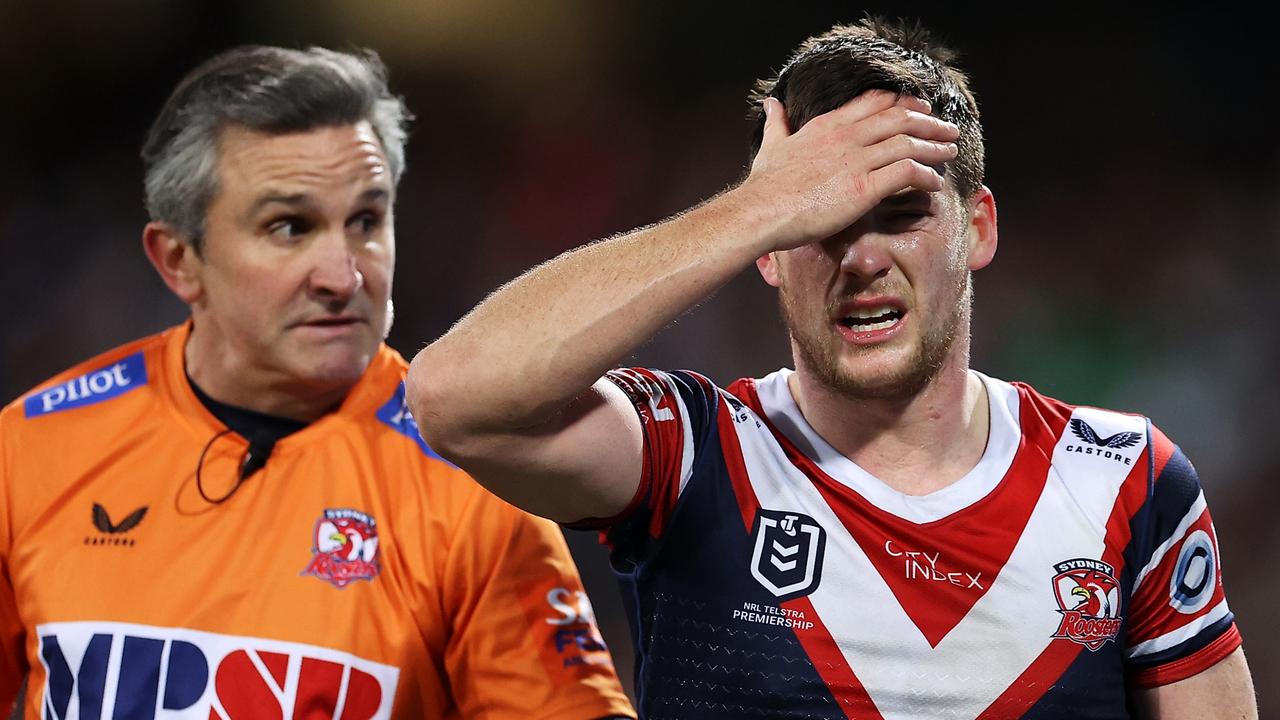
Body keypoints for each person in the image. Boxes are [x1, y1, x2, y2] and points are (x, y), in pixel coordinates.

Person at [405, 18, 1257, 719]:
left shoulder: (1127, 484)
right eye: (822, 220)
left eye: (900, 211)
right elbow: (452, 396)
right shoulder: (697, 457)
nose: (861, 258)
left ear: (980, 228)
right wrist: (759, 205)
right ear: (770, 253)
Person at [0, 46, 635, 719]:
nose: (344, 275)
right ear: (180, 260)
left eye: (366, 221)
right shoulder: (31, 450)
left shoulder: (474, 484)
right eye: (289, 226)